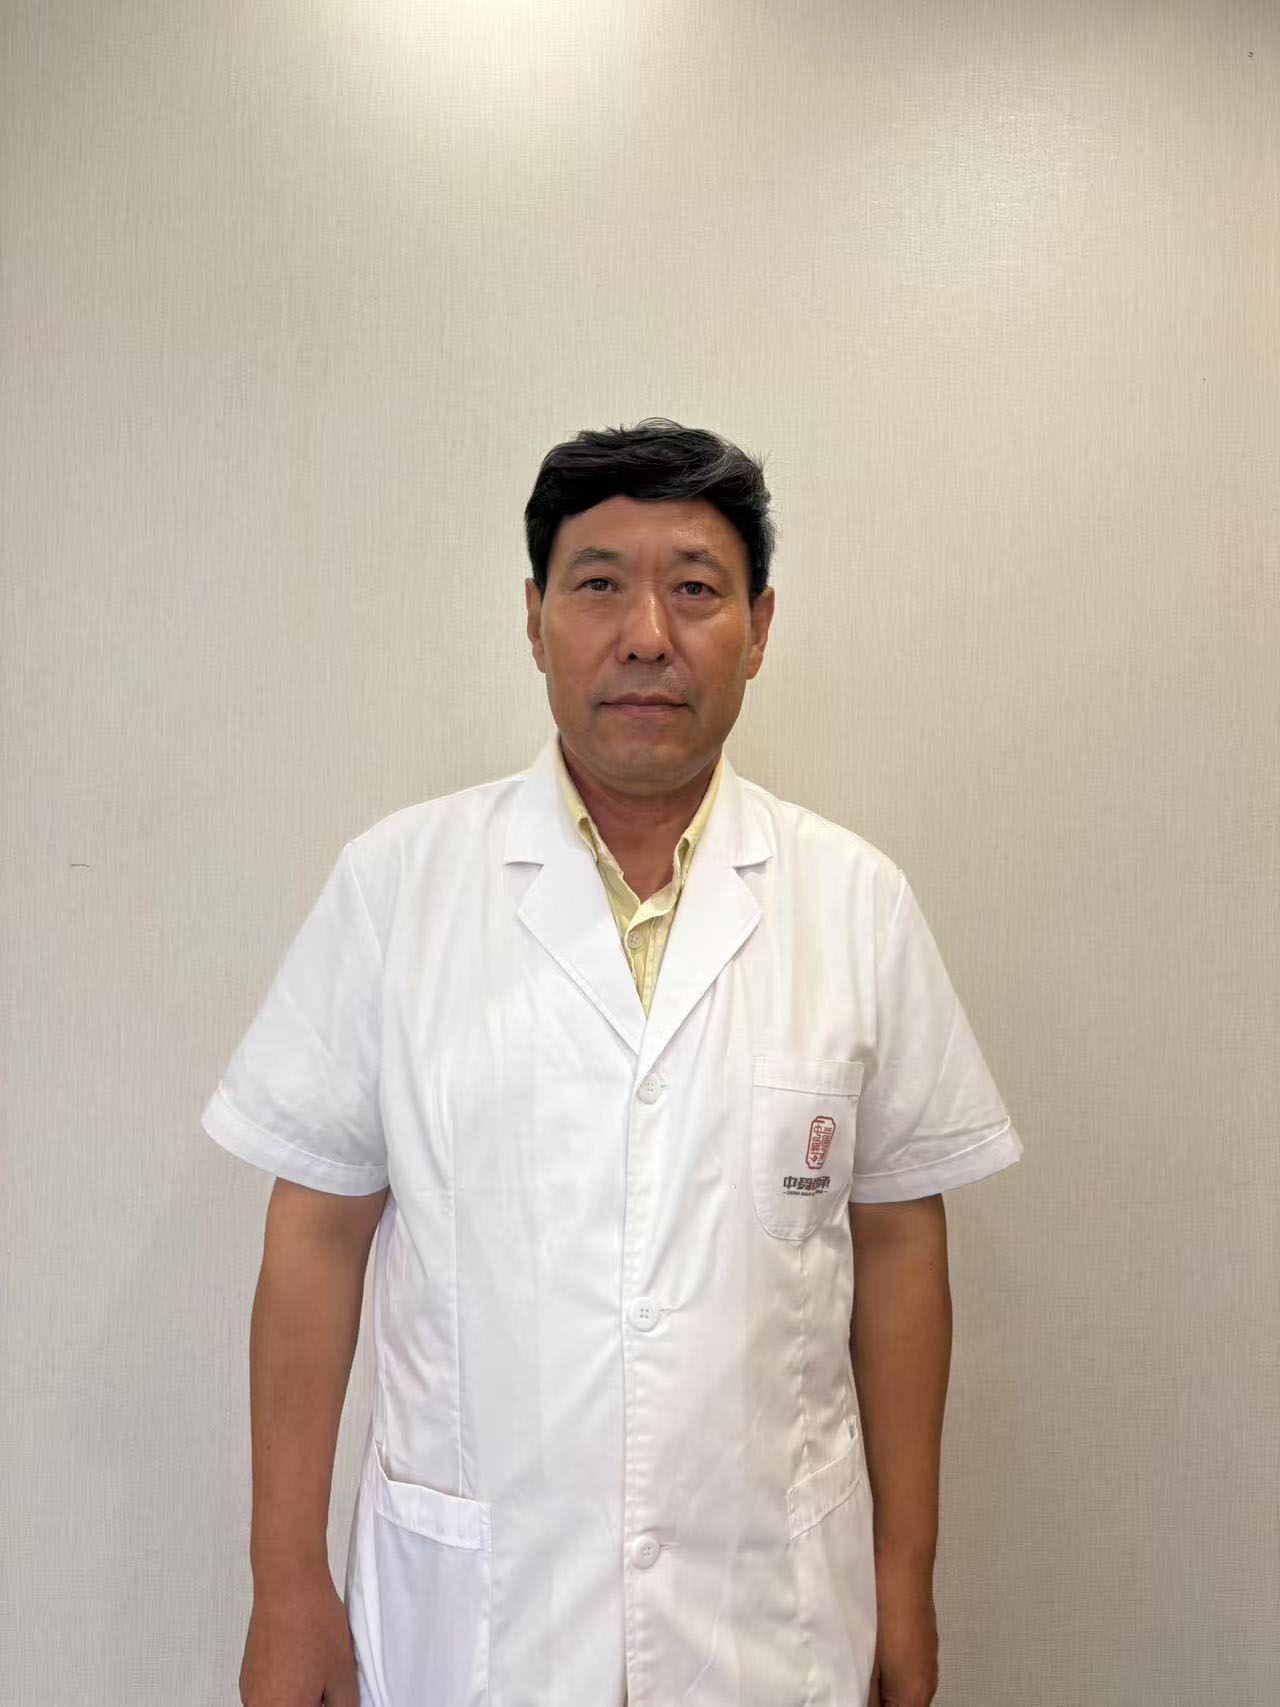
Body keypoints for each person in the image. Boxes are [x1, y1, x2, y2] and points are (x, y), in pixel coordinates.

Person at [202, 417, 1023, 1707]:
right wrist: (286, 1581)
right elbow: (316, 1234)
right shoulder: (396, 889)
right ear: (535, 620)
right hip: (479, 1624)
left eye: (695, 588)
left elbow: (899, 1242)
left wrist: (904, 1574)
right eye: (598, 584)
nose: (647, 634)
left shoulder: (856, 904)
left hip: (770, 1621)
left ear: (759, 627)